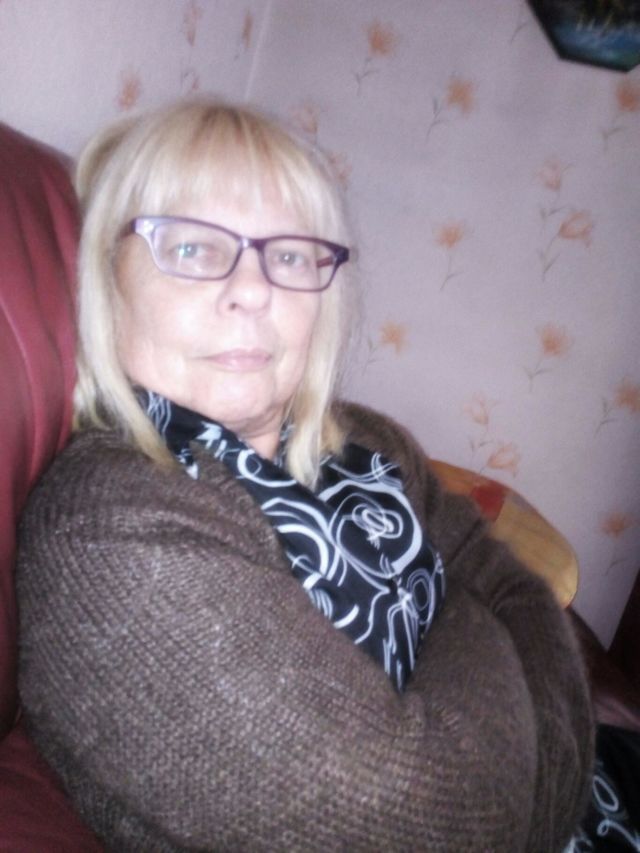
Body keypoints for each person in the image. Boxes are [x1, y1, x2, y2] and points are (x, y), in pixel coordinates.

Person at [17, 99, 593, 851]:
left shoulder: (365, 440)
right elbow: (442, 824)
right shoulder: (111, 530)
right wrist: (465, 602)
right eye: (191, 246)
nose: (253, 290)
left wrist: (542, 787)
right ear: (106, 281)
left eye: (288, 256)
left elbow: (517, 586)